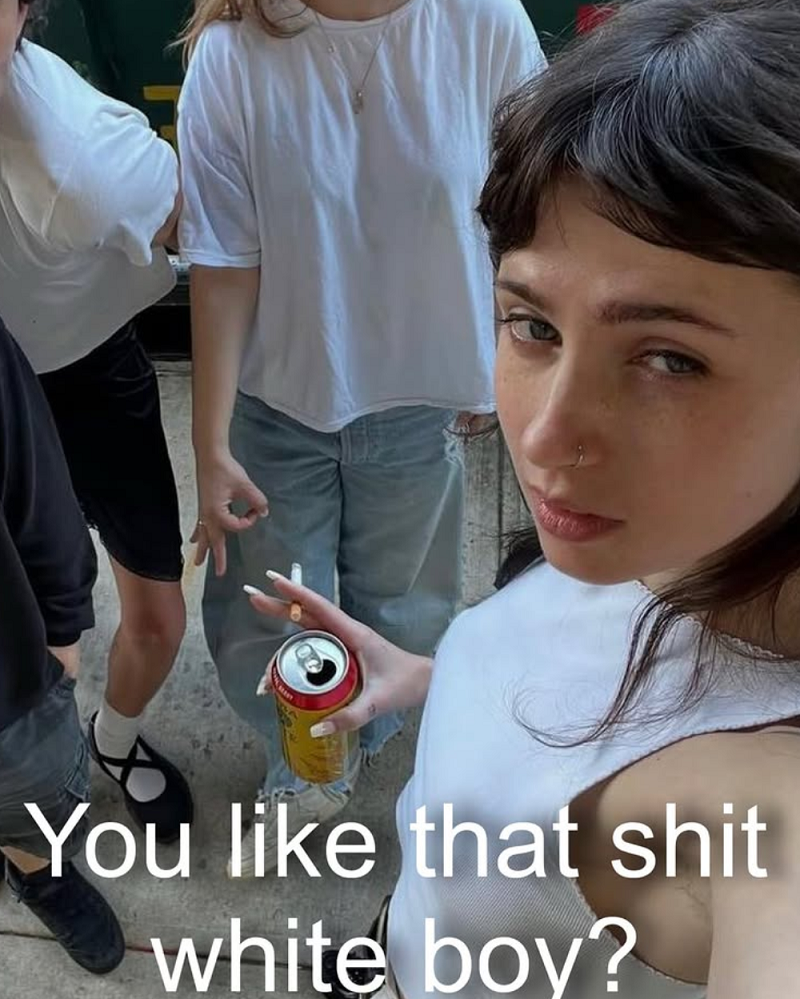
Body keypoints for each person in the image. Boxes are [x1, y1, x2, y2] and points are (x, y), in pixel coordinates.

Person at [245, 0, 800, 994]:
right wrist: (443, 675)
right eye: (532, 325)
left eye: (670, 359)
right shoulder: (663, 533)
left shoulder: (759, 796)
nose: (543, 436)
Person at [177, 0, 545, 876]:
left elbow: (535, 209)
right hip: (277, 400)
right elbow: (224, 258)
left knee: (406, 605)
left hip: (421, 400)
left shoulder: (484, 23)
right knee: (269, 614)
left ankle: (361, 734)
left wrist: (502, 355)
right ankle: (305, 766)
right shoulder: (231, 56)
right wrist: (209, 441)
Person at [0, 0, 192, 842]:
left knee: (156, 614)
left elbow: (196, 223)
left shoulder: (82, 157)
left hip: (83, 375)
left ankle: (112, 740)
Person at [0, 313, 125, 975]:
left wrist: (62, 620)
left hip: (8, 683)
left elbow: (34, 479)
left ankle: (37, 872)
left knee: (35, 806)